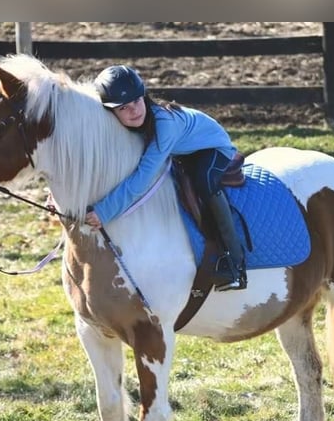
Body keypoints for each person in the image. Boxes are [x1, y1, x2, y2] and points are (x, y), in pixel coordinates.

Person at [85, 64, 247, 291]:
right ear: (111, 111)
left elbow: (141, 179)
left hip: (212, 146)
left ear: (144, 96)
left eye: (137, 101)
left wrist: (104, 211)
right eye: (124, 108)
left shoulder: (164, 125)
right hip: (182, 149)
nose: (134, 111)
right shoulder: (125, 124)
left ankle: (234, 262)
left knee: (204, 182)